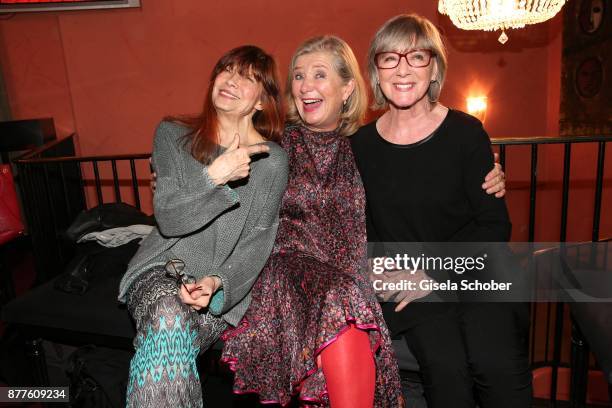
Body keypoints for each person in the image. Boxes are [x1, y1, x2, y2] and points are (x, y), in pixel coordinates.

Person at [221, 36, 506, 408]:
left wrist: (488, 175)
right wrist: (194, 176)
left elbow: (420, 184)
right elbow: (229, 169)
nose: (306, 85)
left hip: (350, 278)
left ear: (347, 89)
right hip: (287, 275)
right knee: (345, 300)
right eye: (299, 76)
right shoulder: (276, 146)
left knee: (351, 305)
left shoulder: (365, 147)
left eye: (320, 75)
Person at [351, 14, 532, 408]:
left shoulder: (466, 133)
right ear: (375, 71)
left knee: (496, 365)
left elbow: (494, 226)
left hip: (476, 275)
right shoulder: (360, 147)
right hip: (408, 289)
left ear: (434, 67)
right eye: (389, 58)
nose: (402, 69)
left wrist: (432, 274)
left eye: (416, 57)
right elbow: (362, 232)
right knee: (446, 369)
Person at [117, 45, 289, 408]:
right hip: (160, 269)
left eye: (247, 77)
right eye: (226, 70)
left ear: (262, 101)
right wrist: (216, 176)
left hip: (216, 292)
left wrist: (216, 283)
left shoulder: (273, 161)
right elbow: (169, 218)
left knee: (165, 337)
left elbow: (258, 241)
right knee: (167, 317)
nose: (231, 80)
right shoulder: (173, 135)